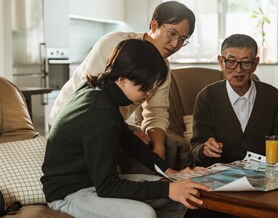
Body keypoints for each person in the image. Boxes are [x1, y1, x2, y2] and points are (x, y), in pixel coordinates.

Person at [41, 39, 211, 218]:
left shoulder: (100, 90)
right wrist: (168, 188)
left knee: (179, 195)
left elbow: (128, 140)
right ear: (122, 80)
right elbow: (108, 186)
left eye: (153, 87)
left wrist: (169, 173)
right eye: (145, 87)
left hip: (92, 183)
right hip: (68, 193)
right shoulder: (99, 112)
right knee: (143, 214)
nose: (149, 94)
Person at [48, 1, 196, 170]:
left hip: (110, 122)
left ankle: (169, 183)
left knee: (168, 144)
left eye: (182, 40)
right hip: (78, 120)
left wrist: (158, 147)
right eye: (172, 33)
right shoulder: (116, 43)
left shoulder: (163, 67)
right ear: (154, 25)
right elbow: (90, 96)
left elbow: (156, 112)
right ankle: (146, 188)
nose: (175, 44)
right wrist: (126, 129)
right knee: (135, 151)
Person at [190, 34, 278, 170]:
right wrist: (205, 149)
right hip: (221, 176)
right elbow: (197, 146)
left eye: (246, 63)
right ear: (221, 62)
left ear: (255, 64)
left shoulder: (272, 96)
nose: (238, 70)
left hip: (264, 176)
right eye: (231, 62)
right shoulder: (206, 97)